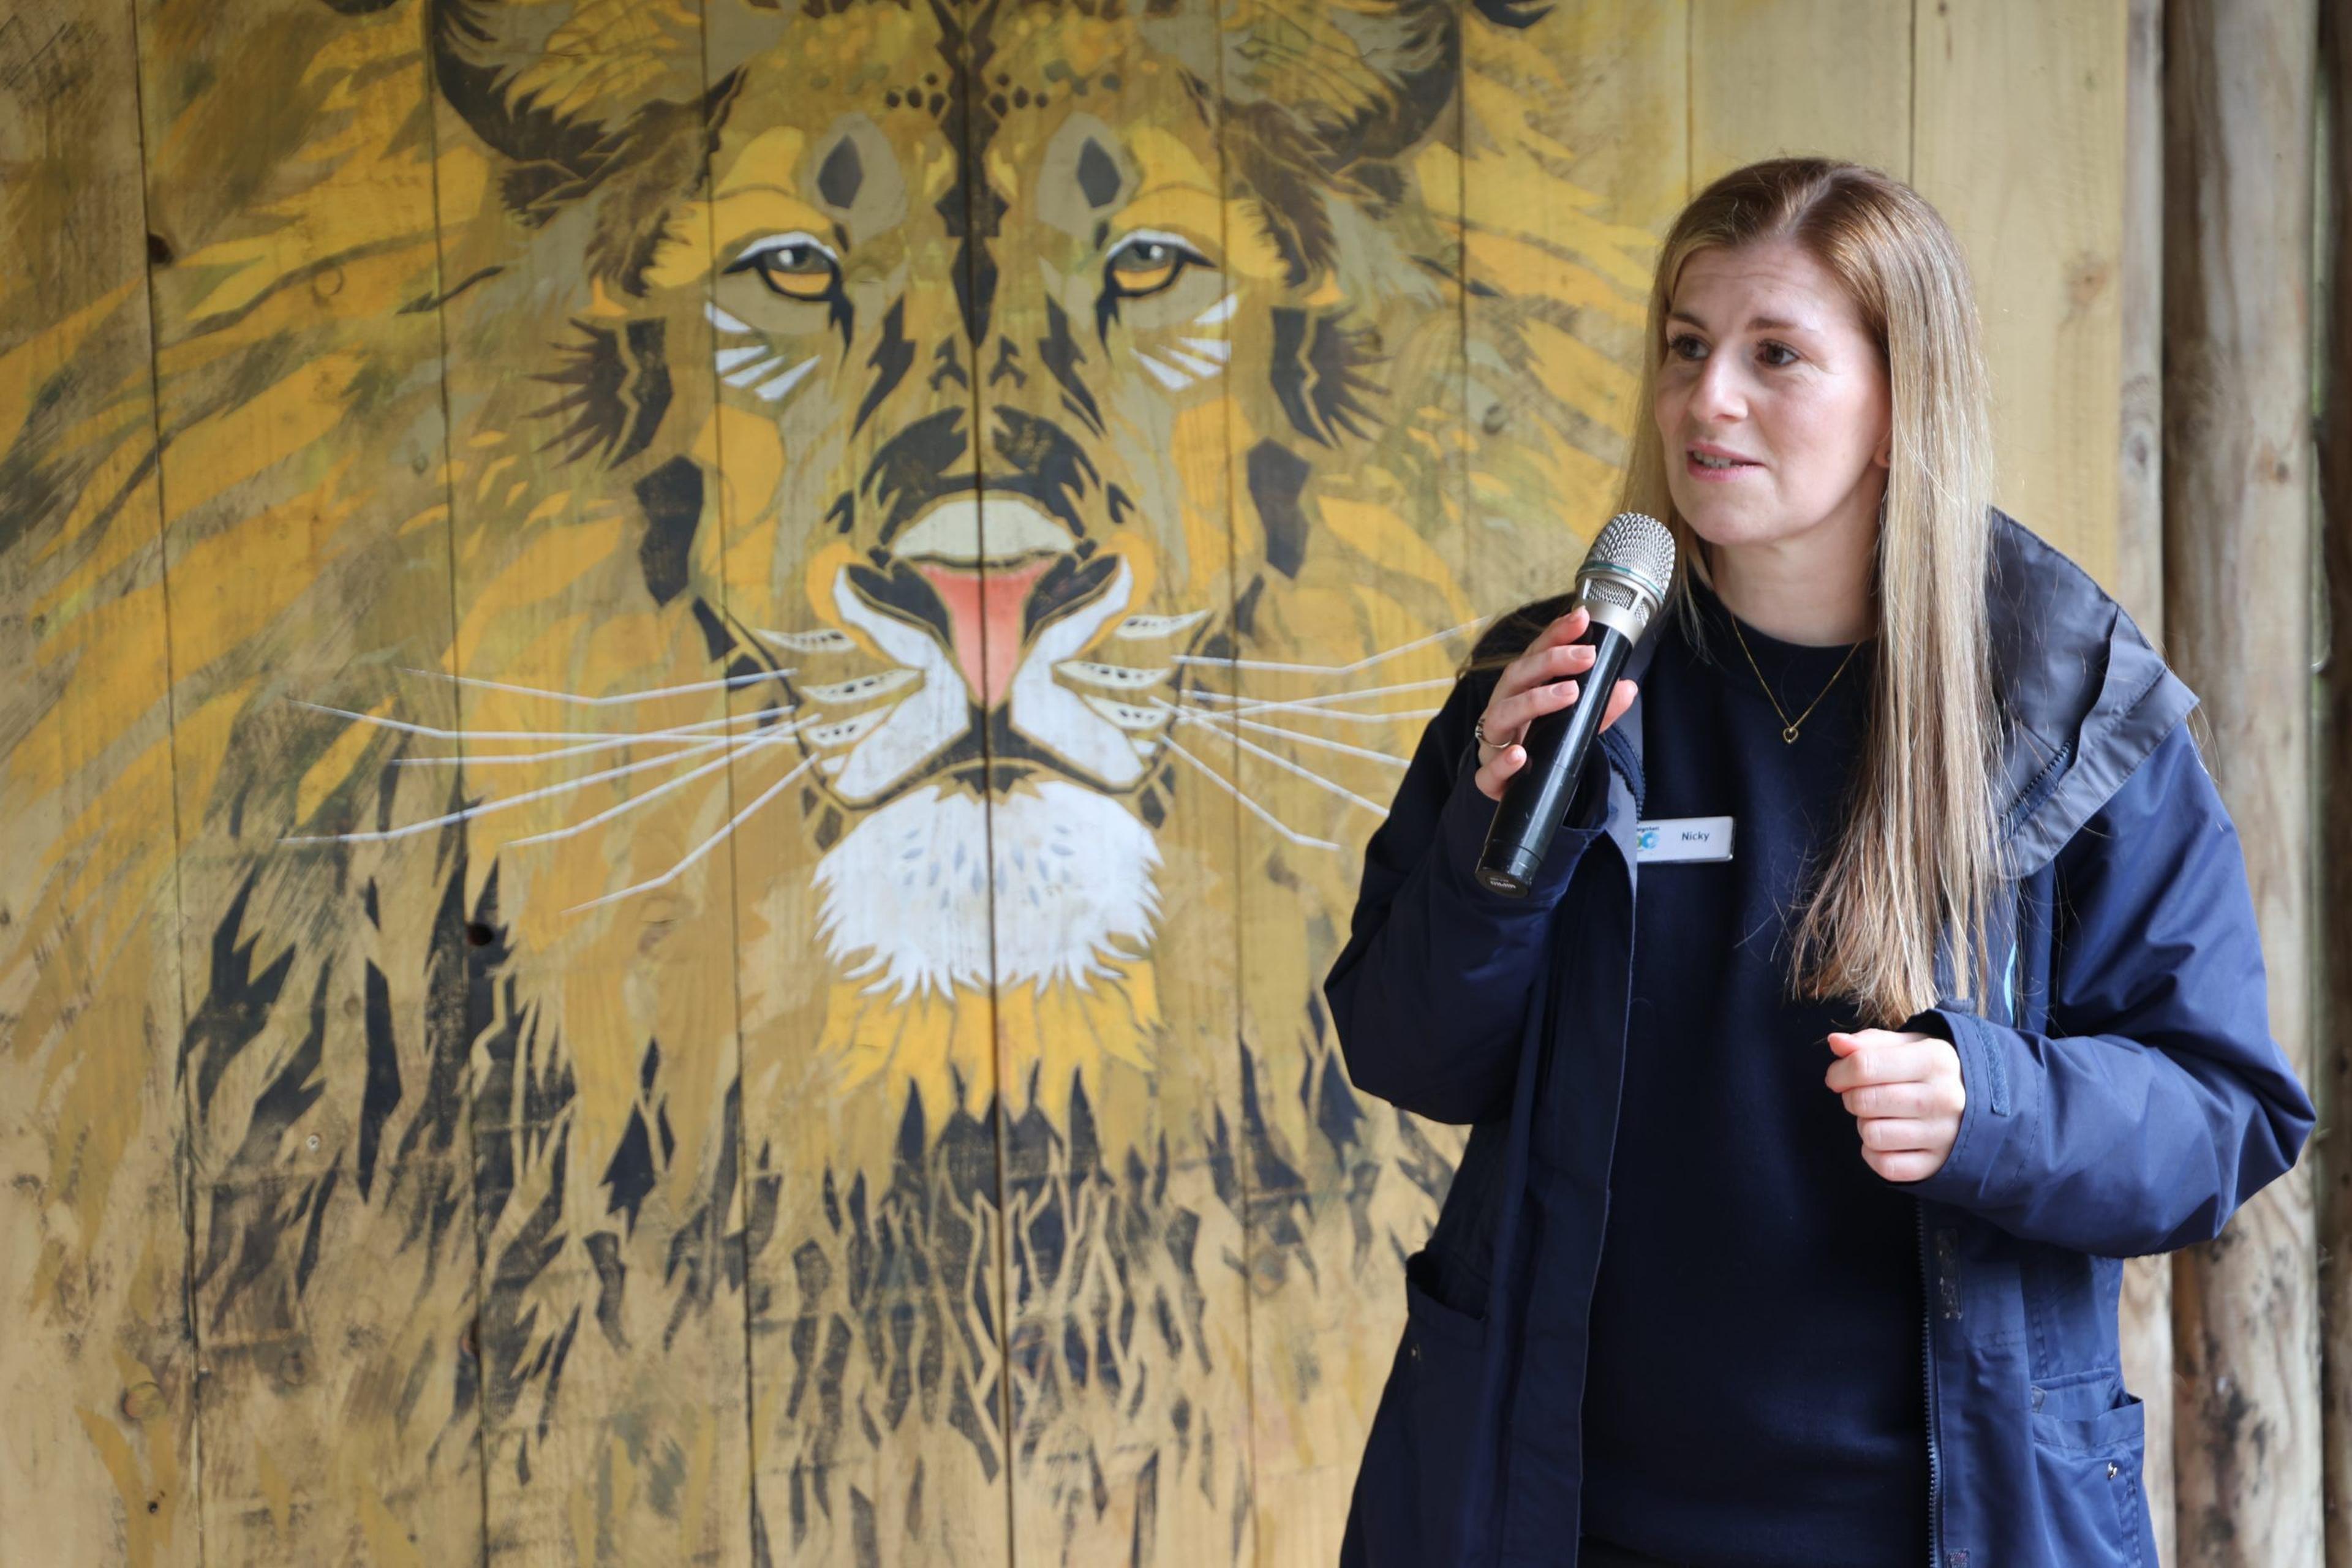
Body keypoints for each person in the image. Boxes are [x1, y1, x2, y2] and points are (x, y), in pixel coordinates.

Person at [1324, 157, 2315, 1568]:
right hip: (1564, 1507)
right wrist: (1500, 862)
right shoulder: (1554, 682)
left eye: (1774, 354)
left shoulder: (2067, 705)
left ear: (1902, 398)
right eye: (1685, 347)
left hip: (1944, 1520)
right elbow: (1408, 1049)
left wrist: (2000, 1105)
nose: (1704, 398)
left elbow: (2226, 1113)